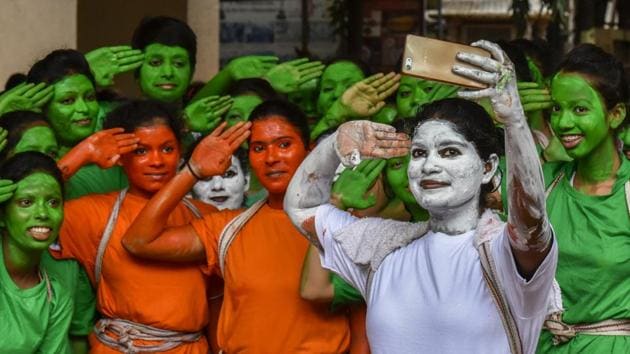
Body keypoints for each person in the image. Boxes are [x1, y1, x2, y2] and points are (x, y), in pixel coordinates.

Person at [285, 41, 557, 353]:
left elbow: (531, 219)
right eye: (419, 153)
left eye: (449, 151)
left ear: (487, 168)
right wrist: (334, 144)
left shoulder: (505, 253)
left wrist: (515, 122)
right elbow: (301, 205)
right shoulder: (382, 248)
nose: (430, 165)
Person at [122, 100, 351, 353]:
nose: (272, 158)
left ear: (309, 152)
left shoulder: (342, 223)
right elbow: (139, 241)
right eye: (258, 148)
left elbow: (361, 317)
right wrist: (193, 170)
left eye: (284, 144)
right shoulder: (230, 227)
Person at [50, 100, 246, 353]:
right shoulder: (94, 213)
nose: (157, 161)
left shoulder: (203, 215)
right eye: (141, 151)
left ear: (181, 153)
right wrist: (83, 153)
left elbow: (216, 298)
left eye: (167, 149)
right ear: (120, 157)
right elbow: (25, 208)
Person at [537, 44, 630, 353]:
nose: (562, 123)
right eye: (556, 108)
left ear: (615, 114)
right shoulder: (543, 184)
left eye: (579, 109)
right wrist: (507, 120)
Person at [27, 49, 130, 199]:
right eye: (67, 101)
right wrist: (84, 153)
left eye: (89, 97)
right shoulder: (29, 157)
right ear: (42, 108)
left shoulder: (119, 155)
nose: (84, 109)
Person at [0, 152, 73, 353]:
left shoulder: (55, 297)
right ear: (2, 215)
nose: (42, 213)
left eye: (53, 202)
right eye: (26, 202)